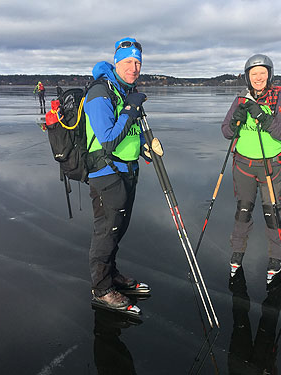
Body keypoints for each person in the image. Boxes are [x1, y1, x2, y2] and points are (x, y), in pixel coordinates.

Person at [84, 37, 163, 312]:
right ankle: (102, 288)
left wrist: (145, 146)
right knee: (106, 231)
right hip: (106, 173)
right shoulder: (100, 93)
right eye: (128, 61)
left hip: (128, 170)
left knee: (119, 228)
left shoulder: (124, 90)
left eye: (138, 62)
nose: (134, 67)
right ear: (117, 62)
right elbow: (107, 139)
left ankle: (112, 274)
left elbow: (130, 132)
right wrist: (130, 108)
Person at [221, 54, 281, 285]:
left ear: (269, 75)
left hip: (270, 166)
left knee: (271, 213)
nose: (258, 77)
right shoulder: (240, 100)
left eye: (263, 73)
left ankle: (275, 258)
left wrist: (265, 118)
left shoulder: (279, 99)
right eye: (254, 74)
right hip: (243, 166)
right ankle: (237, 253)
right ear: (247, 77)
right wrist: (235, 121)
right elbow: (225, 131)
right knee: (243, 210)